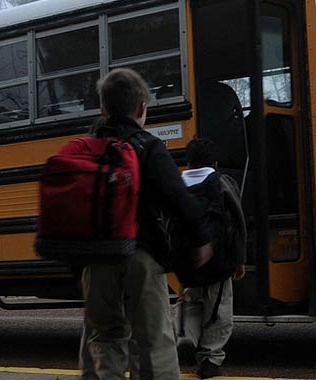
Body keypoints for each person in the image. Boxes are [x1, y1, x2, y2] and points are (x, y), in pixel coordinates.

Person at [79, 68, 208, 380]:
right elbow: (177, 199)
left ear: (103, 109)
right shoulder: (148, 146)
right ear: (141, 109)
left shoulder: (86, 150)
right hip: (142, 254)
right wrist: (201, 239)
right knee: (153, 339)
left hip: (96, 258)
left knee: (103, 335)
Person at [173, 137, 246, 379]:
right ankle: (211, 358)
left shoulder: (176, 185)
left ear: (189, 161)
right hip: (219, 261)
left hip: (188, 261)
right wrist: (239, 259)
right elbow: (237, 222)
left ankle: (186, 337)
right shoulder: (222, 182)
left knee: (190, 301)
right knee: (218, 308)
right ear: (213, 162)